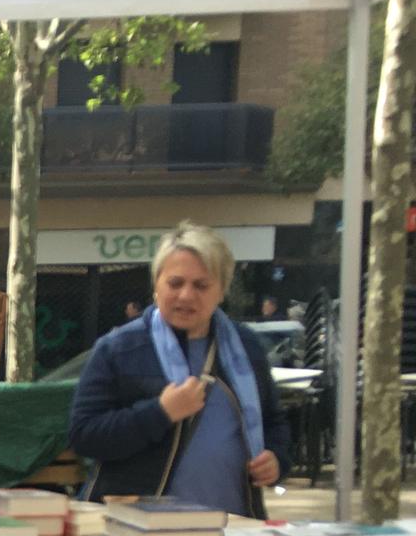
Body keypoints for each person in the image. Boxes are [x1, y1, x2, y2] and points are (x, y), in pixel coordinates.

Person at [68, 221, 290, 515]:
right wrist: (160, 413)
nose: (186, 295)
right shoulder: (118, 349)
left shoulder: (247, 347)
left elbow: (274, 423)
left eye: (201, 285)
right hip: (140, 529)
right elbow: (84, 436)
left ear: (221, 290)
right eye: (175, 283)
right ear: (156, 285)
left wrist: (277, 459)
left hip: (235, 526)